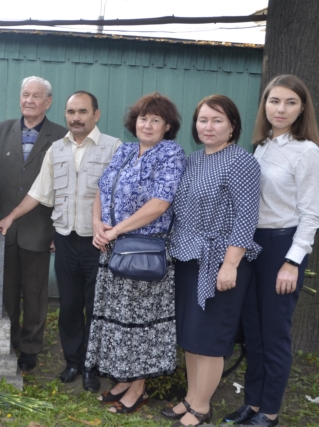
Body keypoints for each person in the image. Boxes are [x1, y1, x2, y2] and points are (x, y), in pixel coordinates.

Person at [0, 91, 120, 390]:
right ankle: (73, 362)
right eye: (71, 112)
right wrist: (11, 217)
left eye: (82, 112)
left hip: (98, 242)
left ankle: (92, 366)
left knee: (95, 305)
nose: (76, 117)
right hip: (66, 238)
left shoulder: (114, 147)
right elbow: (39, 192)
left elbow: (120, 195)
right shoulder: (56, 149)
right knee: (70, 306)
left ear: (96, 114)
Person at [223, 75, 319, 427]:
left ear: (302, 109)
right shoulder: (262, 146)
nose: (280, 109)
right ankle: (252, 404)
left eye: (290, 102)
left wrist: (292, 262)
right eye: (274, 101)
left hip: (283, 245)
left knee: (274, 332)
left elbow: (311, 215)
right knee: (253, 331)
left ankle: (269, 413)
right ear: (264, 105)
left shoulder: (307, 152)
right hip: (252, 245)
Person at [163, 95, 260, 427]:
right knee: (192, 335)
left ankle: (202, 408)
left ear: (232, 125)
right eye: (203, 120)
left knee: (210, 339)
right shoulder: (192, 160)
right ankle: (190, 398)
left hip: (222, 261)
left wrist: (231, 263)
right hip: (189, 258)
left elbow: (246, 218)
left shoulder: (241, 162)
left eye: (217, 120)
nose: (208, 126)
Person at [86, 92, 186, 414]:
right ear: (135, 122)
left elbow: (160, 204)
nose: (148, 124)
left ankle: (139, 389)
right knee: (118, 320)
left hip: (145, 252)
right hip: (113, 248)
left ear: (167, 126)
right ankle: (125, 380)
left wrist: (117, 230)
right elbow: (102, 189)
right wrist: (97, 224)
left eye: (156, 119)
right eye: (143, 118)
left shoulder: (171, 153)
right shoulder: (126, 151)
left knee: (141, 324)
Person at [0, 76, 67, 372]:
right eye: (25, 95)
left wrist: (58, 229)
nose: (29, 100)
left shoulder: (60, 136)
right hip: (2, 225)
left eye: (36, 96)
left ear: (48, 102)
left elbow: (64, 186)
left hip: (39, 227)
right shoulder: (1, 129)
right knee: (6, 290)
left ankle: (31, 347)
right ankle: (8, 340)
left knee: (34, 292)